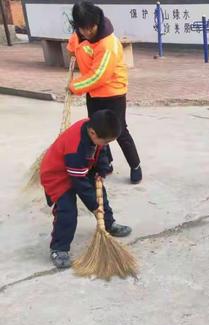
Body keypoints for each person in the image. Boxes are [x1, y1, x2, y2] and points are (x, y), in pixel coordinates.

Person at [40, 110, 132, 269]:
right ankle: (59, 248)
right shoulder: (75, 147)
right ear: (92, 132)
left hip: (81, 167)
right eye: (105, 141)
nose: (105, 144)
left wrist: (101, 170)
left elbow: (102, 150)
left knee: (100, 194)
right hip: (58, 175)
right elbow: (80, 183)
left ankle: (108, 224)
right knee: (67, 211)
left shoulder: (96, 130)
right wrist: (94, 207)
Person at [67, 1, 143, 184]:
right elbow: (74, 44)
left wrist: (74, 87)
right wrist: (72, 51)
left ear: (97, 22)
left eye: (90, 29)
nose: (87, 33)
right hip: (93, 94)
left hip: (112, 93)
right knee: (95, 131)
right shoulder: (79, 34)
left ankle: (135, 165)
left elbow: (99, 75)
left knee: (119, 130)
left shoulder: (108, 43)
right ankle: (104, 164)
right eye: (82, 29)